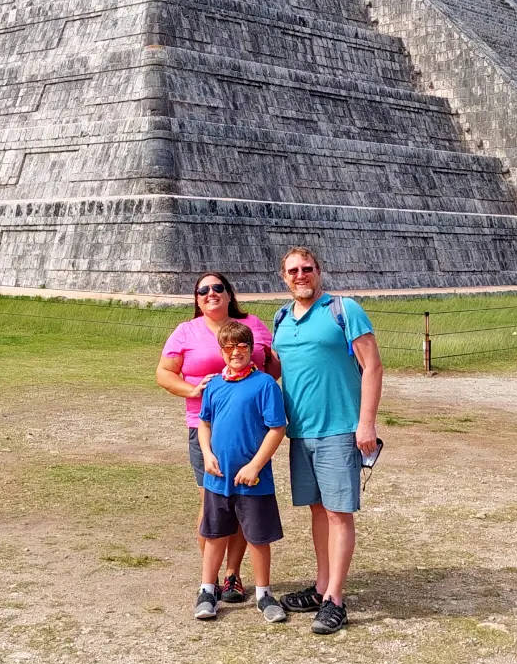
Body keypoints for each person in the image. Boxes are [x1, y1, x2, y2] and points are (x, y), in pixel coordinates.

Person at [272, 246, 382, 634]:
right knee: (317, 510)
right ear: (283, 277)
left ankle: (335, 597)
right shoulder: (282, 317)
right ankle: (321, 587)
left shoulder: (344, 309)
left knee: (338, 512)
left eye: (307, 268)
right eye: (292, 271)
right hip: (300, 430)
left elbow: (372, 366)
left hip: (339, 428)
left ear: (319, 271)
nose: (300, 275)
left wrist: (365, 422)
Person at [156, 272, 277, 603]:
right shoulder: (186, 331)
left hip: (250, 428)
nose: (211, 293)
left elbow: (272, 368)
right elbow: (164, 374)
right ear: (196, 299)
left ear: (229, 294)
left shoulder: (253, 324)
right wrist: (193, 389)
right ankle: (207, 579)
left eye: (217, 288)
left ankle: (232, 575)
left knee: (243, 502)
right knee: (211, 504)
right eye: (203, 290)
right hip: (204, 427)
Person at [194, 320, 288, 623]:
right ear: (222, 352)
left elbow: (277, 428)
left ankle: (263, 593)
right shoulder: (215, 385)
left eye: (242, 346)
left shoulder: (264, 386)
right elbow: (204, 423)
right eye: (229, 347)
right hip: (217, 477)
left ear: (252, 350)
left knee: (258, 538)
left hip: (254, 480)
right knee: (214, 535)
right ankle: (207, 589)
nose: (236, 352)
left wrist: (255, 465)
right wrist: (207, 454)